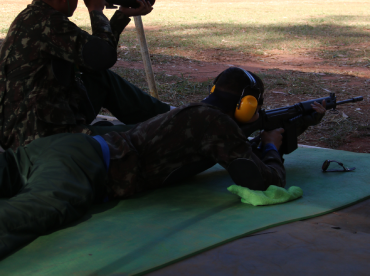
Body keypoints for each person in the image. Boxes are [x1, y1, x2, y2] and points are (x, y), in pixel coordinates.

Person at [0, 67, 326, 258]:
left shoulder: (198, 114)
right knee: (32, 214)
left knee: (8, 171)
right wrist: (271, 147)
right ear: (245, 104)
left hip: (65, 147)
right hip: (86, 167)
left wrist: (295, 124)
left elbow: (231, 142)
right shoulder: (217, 125)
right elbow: (259, 181)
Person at [0, 0, 171, 151]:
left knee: (100, 78)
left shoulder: (32, 17)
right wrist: (96, 11)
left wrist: (122, 15)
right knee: (139, 136)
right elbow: (102, 56)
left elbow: (93, 58)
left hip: (30, 125)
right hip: (40, 139)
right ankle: (171, 121)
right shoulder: (49, 24)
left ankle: (168, 114)